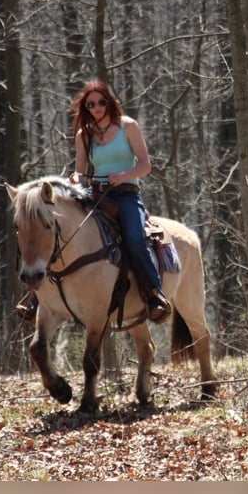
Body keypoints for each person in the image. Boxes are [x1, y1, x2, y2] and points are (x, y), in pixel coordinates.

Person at [67, 80, 172, 323]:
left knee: (135, 239)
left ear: (109, 101)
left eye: (101, 102)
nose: (97, 107)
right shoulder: (84, 135)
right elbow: (79, 171)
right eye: (91, 104)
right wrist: (75, 178)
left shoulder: (128, 127)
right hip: (96, 194)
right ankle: (38, 297)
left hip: (126, 194)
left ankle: (154, 294)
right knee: (65, 230)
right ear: (86, 107)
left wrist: (124, 175)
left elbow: (145, 166)